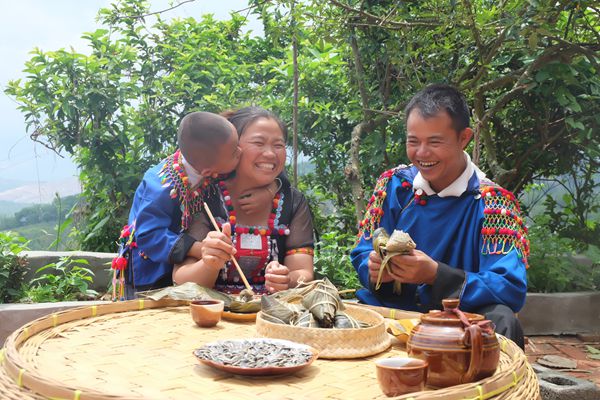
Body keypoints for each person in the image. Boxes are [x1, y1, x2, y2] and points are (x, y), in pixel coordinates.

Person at [351, 84, 529, 348]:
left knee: (502, 321)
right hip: (395, 312)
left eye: (435, 141)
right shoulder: (394, 186)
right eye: (413, 141)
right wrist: (375, 268)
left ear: (464, 138)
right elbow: (363, 251)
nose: (422, 153)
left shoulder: (493, 205)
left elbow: (509, 286)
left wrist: (436, 275)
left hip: (459, 320)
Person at [115, 111, 275, 299]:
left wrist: (269, 190)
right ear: (209, 171)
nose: (240, 151)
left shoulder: (209, 160)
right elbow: (149, 235)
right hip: (150, 274)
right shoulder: (160, 187)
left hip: (183, 269)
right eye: (234, 152)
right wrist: (200, 250)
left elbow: (272, 174)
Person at [173, 107, 315, 294]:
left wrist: (287, 279)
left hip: (269, 317)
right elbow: (181, 278)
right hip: (213, 316)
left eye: (278, 145)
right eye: (259, 142)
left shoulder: (292, 202)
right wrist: (209, 264)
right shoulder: (205, 197)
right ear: (232, 147)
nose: (271, 154)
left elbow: (304, 272)